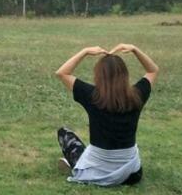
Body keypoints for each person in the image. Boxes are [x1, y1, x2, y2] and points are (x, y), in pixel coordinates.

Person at [54, 43, 159, 186]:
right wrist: (135, 50)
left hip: (97, 170)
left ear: (99, 75)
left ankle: (79, 166)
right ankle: (85, 164)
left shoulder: (92, 96)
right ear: (124, 75)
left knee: (64, 133)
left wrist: (85, 51)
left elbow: (62, 73)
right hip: (132, 175)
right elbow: (153, 71)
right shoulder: (137, 95)